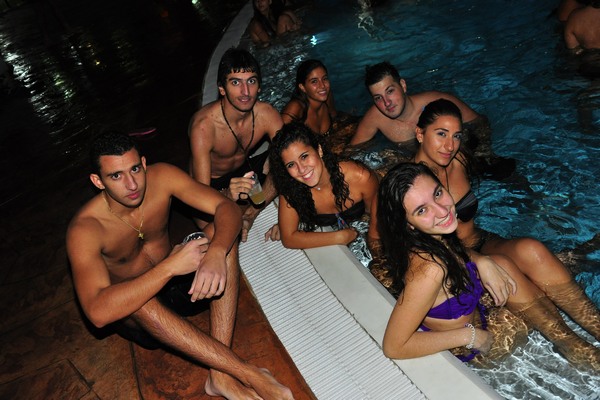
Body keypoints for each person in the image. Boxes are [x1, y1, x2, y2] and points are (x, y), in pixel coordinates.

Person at [66, 131, 294, 399]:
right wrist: (170, 267)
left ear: (144, 163)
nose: (131, 184)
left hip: (180, 283)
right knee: (135, 299)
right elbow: (97, 312)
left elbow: (227, 209)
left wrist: (216, 252)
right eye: (116, 176)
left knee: (222, 238)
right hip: (144, 316)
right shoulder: (85, 229)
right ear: (98, 181)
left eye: (135, 169)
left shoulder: (162, 177)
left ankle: (219, 377)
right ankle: (247, 373)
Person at [411, 99, 600, 361]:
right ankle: (574, 346)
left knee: (532, 249)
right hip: (452, 257)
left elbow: (493, 165)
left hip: (480, 239)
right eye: (441, 134)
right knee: (504, 265)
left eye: (456, 136)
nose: (450, 145)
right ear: (420, 134)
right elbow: (394, 241)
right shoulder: (410, 184)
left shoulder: (459, 159)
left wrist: (532, 196)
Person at [377, 162, 600, 368]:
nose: (442, 210)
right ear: (408, 224)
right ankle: (573, 346)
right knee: (531, 280)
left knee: (505, 262)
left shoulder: (432, 239)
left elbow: (455, 254)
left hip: (480, 315)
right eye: (422, 210)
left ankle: (579, 335)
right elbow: (393, 346)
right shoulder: (429, 270)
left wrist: (481, 260)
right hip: (476, 349)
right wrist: (470, 337)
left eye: (437, 193)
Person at [189, 47, 283, 242]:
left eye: (251, 81)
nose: (245, 91)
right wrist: (227, 195)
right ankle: (238, 209)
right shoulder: (204, 127)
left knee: (286, 164)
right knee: (210, 227)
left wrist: (290, 218)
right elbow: (200, 197)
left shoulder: (267, 115)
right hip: (210, 184)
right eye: (235, 82)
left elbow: (294, 157)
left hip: (244, 170)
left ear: (259, 86)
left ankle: (249, 215)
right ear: (222, 89)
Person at [266, 121, 379, 254]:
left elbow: (377, 221)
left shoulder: (360, 177)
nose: (301, 169)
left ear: (319, 150)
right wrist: (340, 237)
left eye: (304, 156)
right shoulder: (291, 190)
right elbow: (288, 239)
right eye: (291, 165)